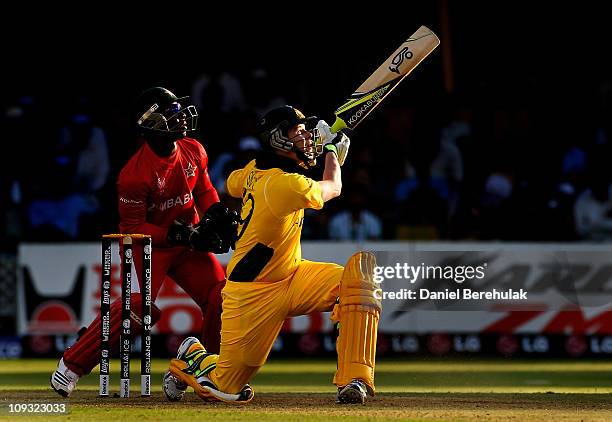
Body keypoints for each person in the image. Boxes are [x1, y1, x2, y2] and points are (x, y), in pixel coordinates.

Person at [163, 105, 381, 404]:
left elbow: (232, 182)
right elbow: (333, 187)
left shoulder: (255, 171)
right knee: (224, 389)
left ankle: (354, 380)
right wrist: (331, 151)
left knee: (359, 277)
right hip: (253, 291)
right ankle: (192, 356)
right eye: (298, 132)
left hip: (293, 275)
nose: (306, 138)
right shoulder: (284, 184)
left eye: (306, 131)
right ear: (278, 139)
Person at [50, 87, 239, 397]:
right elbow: (133, 226)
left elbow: (203, 190)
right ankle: (71, 364)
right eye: (171, 114)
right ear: (150, 123)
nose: (180, 118)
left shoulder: (194, 149)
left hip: (186, 242)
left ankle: (198, 370)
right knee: (138, 309)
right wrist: (180, 234)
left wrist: (216, 213)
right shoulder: (134, 176)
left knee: (224, 296)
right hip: (149, 245)